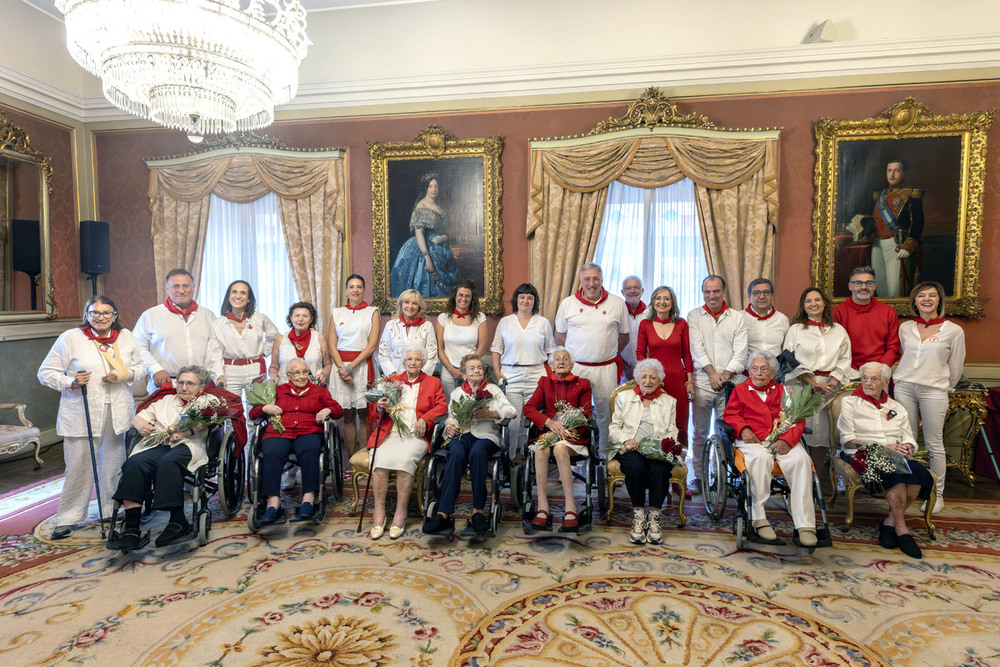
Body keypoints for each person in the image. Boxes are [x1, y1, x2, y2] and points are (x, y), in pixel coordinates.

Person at [37, 296, 144, 540]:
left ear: (115, 315)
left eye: (107, 313)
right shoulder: (71, 338)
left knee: (114, 463)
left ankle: (109, 510)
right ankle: (69, 517)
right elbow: (45, 372)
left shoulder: (126, 337)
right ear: (87, 314)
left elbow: (141, 368)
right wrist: (70, 382)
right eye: (95, 312)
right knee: (79, 465)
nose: (101, 317)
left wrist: (122, 374)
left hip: (117, 411)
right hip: (81, 410)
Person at [111, 366, 219, 550]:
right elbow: (137, 418)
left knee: (168, 462)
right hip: (159, 444)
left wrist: (186, 432)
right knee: (134, 463)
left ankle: (178, 521)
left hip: (189, 445)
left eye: (190, 383)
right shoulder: (165, 400)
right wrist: (141, 426)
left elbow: (212, 423)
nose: (183, 387)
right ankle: (131, 527)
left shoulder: (209, 401)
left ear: (201, 386)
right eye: (181, 382)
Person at [836, 362, 934, 559]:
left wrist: (908, 447)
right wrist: (881, 447)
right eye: (865, 378)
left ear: (886, 382)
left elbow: (908, 437)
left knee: (919, 477)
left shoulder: (896, 407)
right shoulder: (849, 403)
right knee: (897, 477)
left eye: (874, 379)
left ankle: (889, 522)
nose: (868, 383)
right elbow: (847, 439)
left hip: (896, 454)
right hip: (863, 453)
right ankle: (901, 528)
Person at [722, 350, 817, 547]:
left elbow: (798, 419)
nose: (758, 373)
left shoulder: (784, 391)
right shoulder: (740, 390)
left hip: (782, 441)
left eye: (764, 369)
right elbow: (730, 415)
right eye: (754, 368)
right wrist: (744, 429)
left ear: (772, 373)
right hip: (753, 441)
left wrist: (787, 441)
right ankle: (758, 518)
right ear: (749, 371)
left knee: (801, 460)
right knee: (760, 458)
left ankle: (805, 525)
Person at [423, 354, 516, 537]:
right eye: (472, 368)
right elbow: (451, 416)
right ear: (464, 374)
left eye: (479, 368)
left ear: (484, 372)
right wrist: (449, 427)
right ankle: (444, 512)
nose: (476, 371)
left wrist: (492, 413)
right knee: (455, 452)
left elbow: (511, 411)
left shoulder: (492, 390)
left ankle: (478, 511)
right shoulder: (458, 393)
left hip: (486, 436)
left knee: (477, 452)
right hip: (462, 434)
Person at [894, 281, 966, 514]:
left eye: (932, 295)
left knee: (934, 443)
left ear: (939, 300)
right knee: (907, 440)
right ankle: (906, 487)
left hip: (934, 391)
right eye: (921, 295)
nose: (927, 299)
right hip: (904, 386)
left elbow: (955, 368)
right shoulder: (906, 327)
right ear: (914, 301)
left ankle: (937, 494)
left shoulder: (954, 331)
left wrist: (942, 386)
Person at [248, 358, 344, 524]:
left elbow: (338, 410)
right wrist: (265, 408)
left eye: (305, 372)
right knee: (271, 452)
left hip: (308, 431)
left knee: (311, 449)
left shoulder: (319, 391)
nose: (302, 376)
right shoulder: (276, 391)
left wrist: (327, 409)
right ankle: (273, 502)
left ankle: (308, 498)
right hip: (279, 433)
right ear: (288, 375)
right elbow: (253, 414)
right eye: (296, 372)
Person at [367, 347, 447, 539]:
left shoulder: (433, 382)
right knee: (378, 462)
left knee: (404, 463)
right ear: (403, 363)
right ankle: (379, 512)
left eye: (417, 359)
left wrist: (425, 420)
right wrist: (379, 407)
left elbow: (442, 407)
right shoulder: (391, 382)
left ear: (423, 363)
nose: (413, 362)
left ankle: (400, 512)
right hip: (390, 434)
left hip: (415, 436)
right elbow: (373, 412)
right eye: (409, 359)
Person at [554, 263, 629, 454]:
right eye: (587, 279)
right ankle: (575, 455)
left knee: (607, 415)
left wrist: (607, 353)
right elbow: (560, 335)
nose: (591, 283)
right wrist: (575, 357)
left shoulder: (617, 303)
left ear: (602, 280)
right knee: (573, 414)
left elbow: (625, 337)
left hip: (606, 369)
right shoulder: (568, 303)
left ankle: (606, 457)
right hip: (577, 368)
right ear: (581, 281)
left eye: (596, 278)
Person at [608, 358, 680, 545]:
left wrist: (662, 444)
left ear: (660, 381)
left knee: (660, 470)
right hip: (630, 448)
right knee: (636, 467)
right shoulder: (624, 398)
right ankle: (639, 516)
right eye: (644, 377)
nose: (648, 381)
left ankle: (654, 518)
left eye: (653, 378)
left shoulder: (669, 402)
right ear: (637, 379)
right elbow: (614, 428)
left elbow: (672, 430)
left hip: (657, 450)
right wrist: (626, 440)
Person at [687, 275, 748, 492]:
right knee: (700, 432)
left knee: (726, 432)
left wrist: (724, 375)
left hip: (730, 383)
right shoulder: (694, 316)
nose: (711, 295)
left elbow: (741, 351)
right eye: (707, 291)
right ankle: (700, 477)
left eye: (715, 291)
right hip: (703, 380)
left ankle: (721, 477)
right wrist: (712, 374)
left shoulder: (737, 318)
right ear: (703, 293)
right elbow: (696, 348)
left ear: (723, 292)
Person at [523, 347, 593, 533]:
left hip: (572, 435)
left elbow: (587, 413)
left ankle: (571, 508)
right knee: (541, 448)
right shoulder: (545, 382)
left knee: (560, 449)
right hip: (549, 432)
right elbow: (529, 408)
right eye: (557, 359)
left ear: (571, 364)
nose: (561, 361)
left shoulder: (583, 383)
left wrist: (572, 427)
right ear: (552, 365)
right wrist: (548, 422)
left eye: (565, 359)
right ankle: (542, 507)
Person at [782, 287, 852, 471]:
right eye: (808, 301)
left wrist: (833, 382)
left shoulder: (838, 330)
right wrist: (812, 383)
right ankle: (799, 476)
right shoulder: (796, 329)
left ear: (824, 303)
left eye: (817, 300)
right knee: (803, 432)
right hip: (802, 385)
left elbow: (845, 358)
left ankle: (817, 480)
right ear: (803, 306)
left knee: (823, 435)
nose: (813, 304)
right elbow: (789, 359)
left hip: (831, 385)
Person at [491, 282, 556, 460]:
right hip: (511, 374)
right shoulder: (505, 322)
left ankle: (531, 460)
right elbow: (496, 349)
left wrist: (550, 377)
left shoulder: (543, 323)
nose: (525, 300)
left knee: (533, 419)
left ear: (535, 301)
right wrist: (497, 372)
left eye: (529, 297)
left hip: (537, 375)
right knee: (512, 421)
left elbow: (551, 351)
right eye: (522, 297)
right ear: (516, 300)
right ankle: (510, 459)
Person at [134, 268, 222, 394]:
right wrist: (155, 369)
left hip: (200, 386)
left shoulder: (208, 316)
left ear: (193, 287)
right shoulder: (151, 316)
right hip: (165, 384)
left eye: (185, 286)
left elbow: (215, 351)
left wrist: (218, 375)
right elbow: (137, 346)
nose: (181, 290)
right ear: (167, 289)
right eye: (176, 286)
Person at [847, 158, 923, 298]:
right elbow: (877, 221)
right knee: (880, 286)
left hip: (897, 244)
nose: (892, 174)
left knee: (895, 288)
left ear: (904, 173)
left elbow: (918, 223)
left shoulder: (911, 194)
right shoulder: (879, 195)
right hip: (877, 244)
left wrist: (908, 246)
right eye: (889, 170)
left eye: (897, 170)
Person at [327, 274, 380, 458]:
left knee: (364, 414)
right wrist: (342, 368)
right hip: (340, 366)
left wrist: (350, 368)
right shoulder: (337, 312)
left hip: (362, 365)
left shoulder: (372, 312)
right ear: (347, 290)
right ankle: (351, 459)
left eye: (359, 286)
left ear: (364, 290)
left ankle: (363, 460)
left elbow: (371, 345)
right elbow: (332, 344)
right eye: (351, 286)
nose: (355, 290)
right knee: (347, 415)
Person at [635, 285, 693, 445]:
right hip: (653, 381)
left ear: (672, 303)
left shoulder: (681, 323)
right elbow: (640, 353)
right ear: (653, 302)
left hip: (678, 381)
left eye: (666, 298)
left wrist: (690, 382)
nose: (662, 302)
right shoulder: (645, 324)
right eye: (658, 298)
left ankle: (679, 462)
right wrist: (644, 378)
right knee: (656, 421)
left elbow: (686, 354)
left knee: (679, 422)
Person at [389, 172, 461, 298]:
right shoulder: (421, 206)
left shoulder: (439, 205)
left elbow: (443, 228)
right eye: (430, 186)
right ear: (425, 188)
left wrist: (444, 238)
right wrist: (427, 257)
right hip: (424, 249)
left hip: (441, 249)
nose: (434, 189)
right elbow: (419, 233)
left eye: (436, 186)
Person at [211, 280, 279, 399]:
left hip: (254, 368)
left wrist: (263, 351)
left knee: (257, 411)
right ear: (228, 297)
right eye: (234, 292)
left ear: (248, 299)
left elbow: (276, 337)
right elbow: (213, 353)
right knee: (232, 410)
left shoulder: (259, 318)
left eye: (243, 293)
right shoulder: (217, 324)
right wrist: (219, 375)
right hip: (229, 370)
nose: (238, 296)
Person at [832, 266, 901, 377]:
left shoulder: (888, 311)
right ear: (850, 286)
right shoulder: (837, 312)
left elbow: (893, 347)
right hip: (848, 371)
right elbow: (835, 348)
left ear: (874, 286)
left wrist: (879, 369)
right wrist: (853, 371)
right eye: (858, 283)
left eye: (869, 283)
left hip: (880, 372)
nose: (864, 287)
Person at [435, 279, 488, 398]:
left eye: (467, 296)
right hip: (449, 371)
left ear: (472, 298)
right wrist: (451, 369)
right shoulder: (443, 318)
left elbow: (482, 347)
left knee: (471, 407)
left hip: (472, 371)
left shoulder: (480, 318)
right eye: (461, 295)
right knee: (451, 407)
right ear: (455, 296)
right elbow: (439, 348)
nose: (463, 299)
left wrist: (468, 369)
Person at [377, 289, 438, 377]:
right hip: (395, 378)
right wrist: (393, 376)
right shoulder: (390, 325)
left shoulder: (427, 326)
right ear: (401, 305)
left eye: (415, 303)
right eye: (406, 302)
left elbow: (432, 357)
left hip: (419, 379)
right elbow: (384, 354)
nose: (410, 306)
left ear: (419, 307)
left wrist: (420, 377)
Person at [269, 301, 333, 385]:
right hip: (285, 389)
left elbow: (328, 364)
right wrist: (273, 376)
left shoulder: (319, 338)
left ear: (311, 319)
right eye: (297, 316)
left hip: (312, 388)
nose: (300, 319)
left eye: (305, 316)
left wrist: (323, 374)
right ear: (291, 318)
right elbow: (274, 367)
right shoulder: (280, 340)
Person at [739, 278, 789, 365]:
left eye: (766, 292)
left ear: (772, 295)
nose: (762, 296)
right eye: (756, 293)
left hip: (775, 374)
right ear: (749, 296)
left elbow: (786, 349)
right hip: (746, 374)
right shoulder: (739, 318)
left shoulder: (782, 319)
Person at [620, 275, 646, 382]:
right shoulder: (617, 314)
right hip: (623, 371)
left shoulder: (650, 315)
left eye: (636, 287)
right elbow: (611, 345)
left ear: (642, 291)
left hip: (646, 370)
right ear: (622, 292)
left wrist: (641, 367)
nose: (632, 291)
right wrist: (626, 368)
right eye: (628, 288)